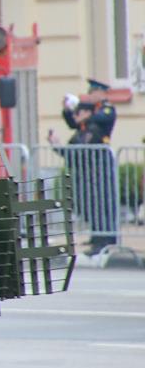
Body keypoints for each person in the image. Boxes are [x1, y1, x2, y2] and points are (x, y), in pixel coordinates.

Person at [59, 80, 118, 254]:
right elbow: (74, 123)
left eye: (93, 92)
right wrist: (68, 110)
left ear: (102, 93)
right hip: (90, 165)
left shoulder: (106, 109)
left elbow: (95, 118)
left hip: (102, 163)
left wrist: (84, 114)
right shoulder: (93, 111)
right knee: (94, 203)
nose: (90, 95)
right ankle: (97, 236)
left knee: (103, 203)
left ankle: (106, 239)